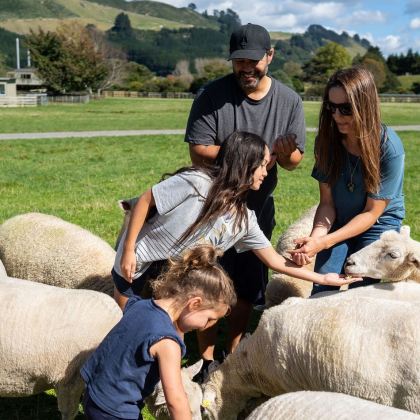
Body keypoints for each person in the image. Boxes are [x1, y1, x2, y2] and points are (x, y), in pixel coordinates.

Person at [184, 23, 307, 367]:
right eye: (239, 61)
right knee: (207, 280)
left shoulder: (289, 100)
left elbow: (295, 161)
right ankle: (206, 358)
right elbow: (199, 150)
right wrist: (250, 155)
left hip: (258, 206)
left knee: (248, 286)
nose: (246, 68)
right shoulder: (212, 95)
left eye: (253, 60)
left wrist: (284, 153)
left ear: (270, 56)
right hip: (213, 206)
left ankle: (233, 352)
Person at [81, 245, 237, 420]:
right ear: (194, 304)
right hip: (117, 411)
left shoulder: (140, 305)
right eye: (208, 319)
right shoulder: (167, 343)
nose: (204, 327)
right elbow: (176, 401)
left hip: (94, 395)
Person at [289, 66, 405, 295]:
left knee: (360, 292)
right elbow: (327, 204)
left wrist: (324, 243)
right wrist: (315, 240)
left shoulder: (390, 148)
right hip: (339, 218)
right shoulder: (327, 141)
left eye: (346, 109)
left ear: (365, 107)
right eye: (332, 107)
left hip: (378, 224)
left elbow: (372, 213)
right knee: (323, 286)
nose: (336, 116)